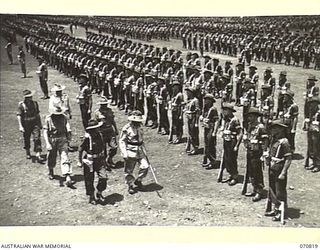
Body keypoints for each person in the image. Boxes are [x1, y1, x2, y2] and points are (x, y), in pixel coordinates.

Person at [265, 120, 292, 222]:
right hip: (272, 167)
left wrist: (283, 173)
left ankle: (281, 212)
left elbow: (288, 159)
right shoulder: (273, 140)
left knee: (280, 191)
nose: (273, 130)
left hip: (279, 168)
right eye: (272, 128)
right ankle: (276, 209)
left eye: (276, 128)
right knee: (272, 190)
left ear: (281, 129)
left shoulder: (284, 142)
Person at [119, 110, 150, 194]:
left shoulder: (140, 127)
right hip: (130, 150)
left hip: (140, 150)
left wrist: (144, 149)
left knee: (145, 166)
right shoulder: (126, 128)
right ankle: (130, 185)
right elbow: (122, 141)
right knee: (129, 171)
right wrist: (124, 153)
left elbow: (141, 139)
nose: (137, 123)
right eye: (136, 121)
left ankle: (138, 180)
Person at [78, 119, 108, 205]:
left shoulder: (100, 135)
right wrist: (80, 161)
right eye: (95, 128)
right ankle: (91, 196)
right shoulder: (87, 138)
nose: (97, 129)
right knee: (89, 179)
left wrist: (104, 159)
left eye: (97, 128)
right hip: (89, 160)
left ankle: (99, 192)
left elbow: (103, 147)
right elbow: (80, 149)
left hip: (100, 159)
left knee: (103, 177)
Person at [43, 106, 74, 187]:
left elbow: (67, 126)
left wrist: (69, 133)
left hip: (62, 138)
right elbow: (45, 131)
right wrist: (47, 143)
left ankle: (67, 175)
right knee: (51, 156)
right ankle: (51, 170)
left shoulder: (64, 117)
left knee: (64, 156)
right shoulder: (48, 118)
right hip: (52, 138)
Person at [243, 107, 268, 201]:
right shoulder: (250, 125)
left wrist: (264, 152)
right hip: (250, 150)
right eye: (249, 116)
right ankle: (254, 187)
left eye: (252, 116)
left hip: (257, 152)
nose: (250, 117)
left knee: (257, 171)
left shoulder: (260, 127)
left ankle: (259, 190)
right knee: (251, 170)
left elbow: (265, 140)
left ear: (256, 116)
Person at [219, 103, 243, 185]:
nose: (224, 112)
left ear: (230, 111)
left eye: (225, 110)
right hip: (226, 140)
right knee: (226, 159)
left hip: (232, 141)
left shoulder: (235, 120)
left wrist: (237, 146)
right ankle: (230, 174)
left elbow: (240, 133)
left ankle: (235, 176)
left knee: (232, 159)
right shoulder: (225, 119)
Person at [17, 89, 44, 162]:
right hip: (26, 124)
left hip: (34, 123)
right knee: (26, 138)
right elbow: (19, 115)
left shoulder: (35, 103)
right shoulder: (21, 105)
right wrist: (20, 126)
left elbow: (37, 114)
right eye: (28, 97)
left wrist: (40, 123)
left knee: (37, 138)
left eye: (30, 97)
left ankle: (38, 153)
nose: (30, 98)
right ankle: (28, 152)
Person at [94, 97, 119, 168]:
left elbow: (112, 120)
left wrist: (116, 129)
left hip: (110, 131)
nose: (104, 106)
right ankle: (104, 162)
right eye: (102, 104)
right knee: (103, 148)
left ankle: (110, 158)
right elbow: (96, 123)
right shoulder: (97, 112)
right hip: (102, 132)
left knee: (114, 147)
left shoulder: (110, 111)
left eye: (105, 104)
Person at [201, 94, 219, 169]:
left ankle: (213, 161)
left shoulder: (213, 109)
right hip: (206, 127)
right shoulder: (205, 108)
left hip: (211, 128)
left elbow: (217, 120)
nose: (205, 101)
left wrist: (214, 131)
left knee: (211, 144)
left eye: (207, 99)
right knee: (206, 144)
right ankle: (209, 159)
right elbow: (202, 116)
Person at [303, 97, 320, 173]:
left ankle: (318, 165)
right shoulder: (311, 112)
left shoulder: (318, 113)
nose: (311, 105)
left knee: (317, 148)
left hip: (317, 133)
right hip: (311, 131)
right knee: (311, 148)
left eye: (313, 103)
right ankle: (313, 162)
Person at [184, 87, 200, 155]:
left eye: (188, 92)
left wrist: (196, 121)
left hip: (193, 117)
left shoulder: (195, 100)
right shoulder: (188, 100)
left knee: (194, 133)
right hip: (188, 117)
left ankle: (195, 147)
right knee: (189, 132)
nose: (187, 93)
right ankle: (189, 145)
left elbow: (198, 111)